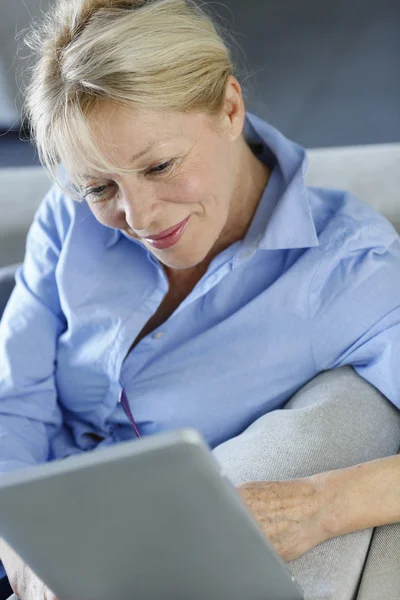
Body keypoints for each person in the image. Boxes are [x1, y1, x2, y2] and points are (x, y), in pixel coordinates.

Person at [0, 0, 400, 598]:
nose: (138, 217)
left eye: (160, 165)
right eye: (101, 186)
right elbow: (17, 407)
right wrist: (22, 556)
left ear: (230, 108)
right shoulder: (71, 217)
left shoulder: (346, 271)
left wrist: (322, 505)